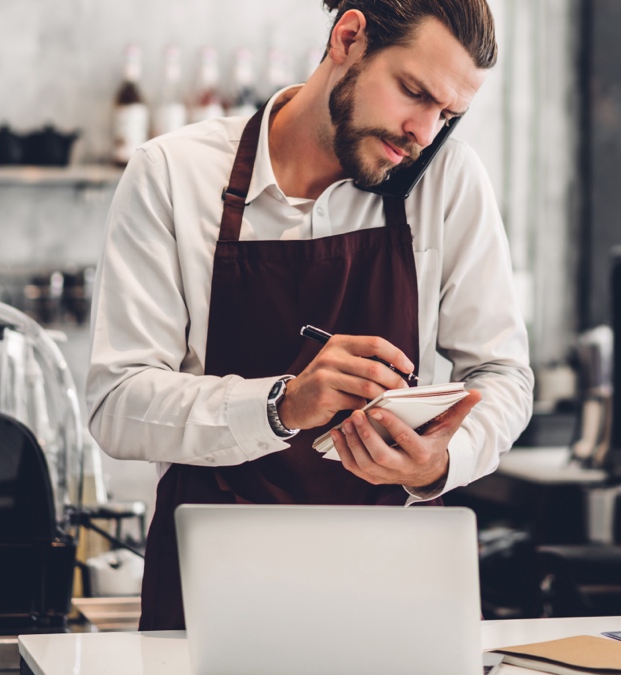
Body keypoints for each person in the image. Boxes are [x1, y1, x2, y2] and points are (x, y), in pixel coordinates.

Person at [84, 0, 533, 631]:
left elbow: (502, 374)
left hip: (383, 592)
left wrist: (442, 461)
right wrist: (282, 406)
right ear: (348, 37)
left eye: (448, 115)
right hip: (208, 592)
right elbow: (116, 404)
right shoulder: (173, 175)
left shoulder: (447, 181)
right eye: (413, 92)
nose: (424, 133)